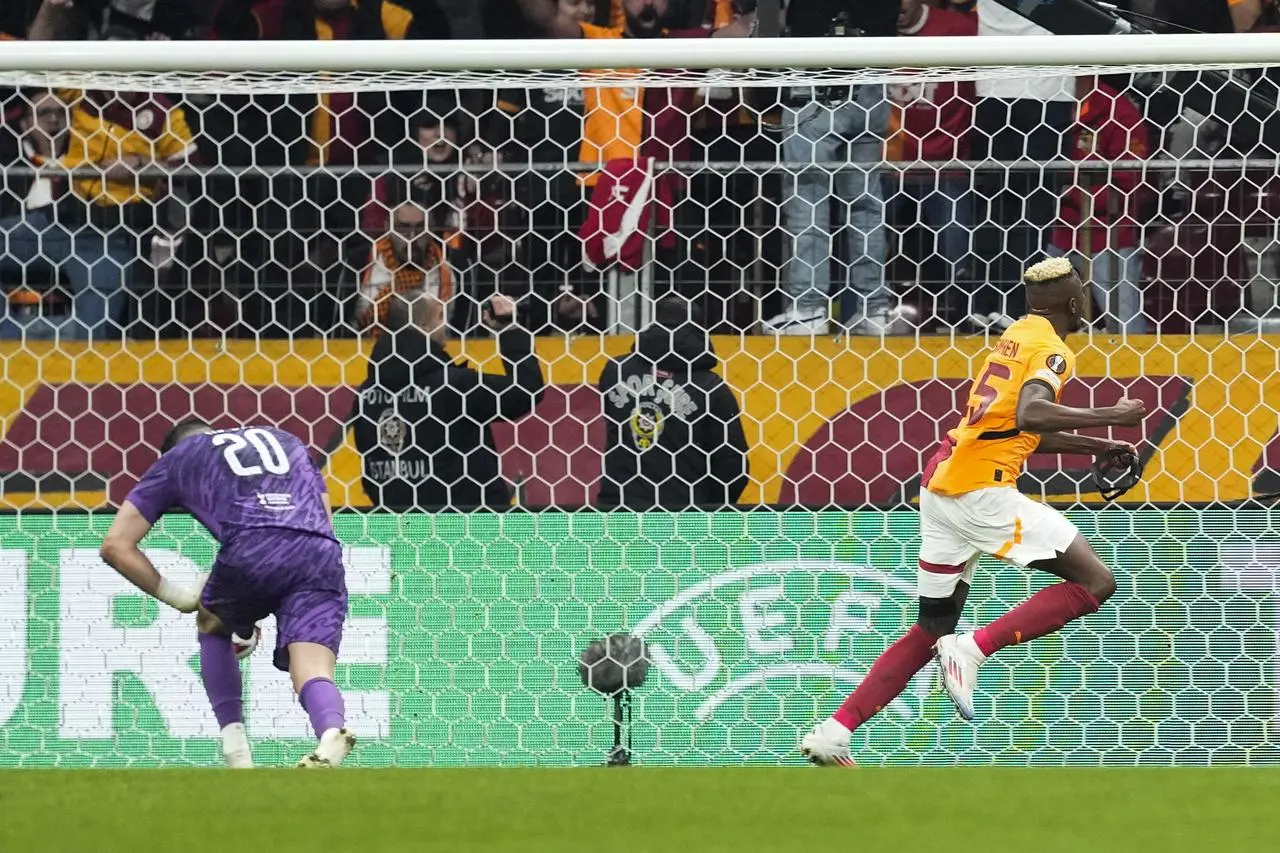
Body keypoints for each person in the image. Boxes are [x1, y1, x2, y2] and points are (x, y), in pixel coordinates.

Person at [800, 257, 1147, 765]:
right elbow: (1032, 411)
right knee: (1095, 582)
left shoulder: (1017, 336)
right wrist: (1111, 414)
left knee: (930, 628)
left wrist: (1097, 444)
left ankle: (835, 730)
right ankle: (975, 649)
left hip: (942, 489)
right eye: (1085, 294)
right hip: (982, 493)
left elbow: (1019, 427)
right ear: (1074, 303)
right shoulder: (1051, 351)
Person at [99, 420, 355, 769]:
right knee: (312, 667)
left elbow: (115, 545)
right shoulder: (288, 440)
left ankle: (238, 756)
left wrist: (182, 598)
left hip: (253, 543)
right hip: (320, 553)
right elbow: (322, 519)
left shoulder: (180, 458)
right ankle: (329, 733)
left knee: (211, 622)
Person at [764, 0, 904, 337]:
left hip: (816, 70)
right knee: (866, 202)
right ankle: (874, 309)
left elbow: (770, 14)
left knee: (807, 196)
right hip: (872, 74)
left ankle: (808, 307)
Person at [353, 292, 545, 510]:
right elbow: (526, 390)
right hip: (466, 527)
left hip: (399, 526)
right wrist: (510, 329)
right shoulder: (452, 386)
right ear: (423, 327)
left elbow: (368, 461)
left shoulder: (366, 393)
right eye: (440, 316)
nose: (446, 324)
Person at [596, 296, 749, 510]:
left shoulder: (616, 370)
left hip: (619, 507)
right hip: (684, 512)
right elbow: (733, 463)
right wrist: (710, 506)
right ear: (698, 328)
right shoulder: (710, 387)